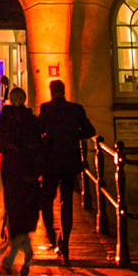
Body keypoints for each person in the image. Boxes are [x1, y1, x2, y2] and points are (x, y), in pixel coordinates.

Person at [37, 80, 97, 264]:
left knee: (46, 201)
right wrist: (73, 136)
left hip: (50, 162)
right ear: (64, 91)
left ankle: (52, 237)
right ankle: (65, 243)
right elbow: (90, 130)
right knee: (66, 203)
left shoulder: (46, 109)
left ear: (51, 91)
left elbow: (38, 130)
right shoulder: (76, 109)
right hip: (70, 161)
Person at [0, 85, 42, 276]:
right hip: (27, 167)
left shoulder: (5, 118)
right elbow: (38, 143)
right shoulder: (31, 119)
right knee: (25, 204)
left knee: (12, 203)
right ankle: (21, 243)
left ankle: (16, 247)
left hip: (11, 165)